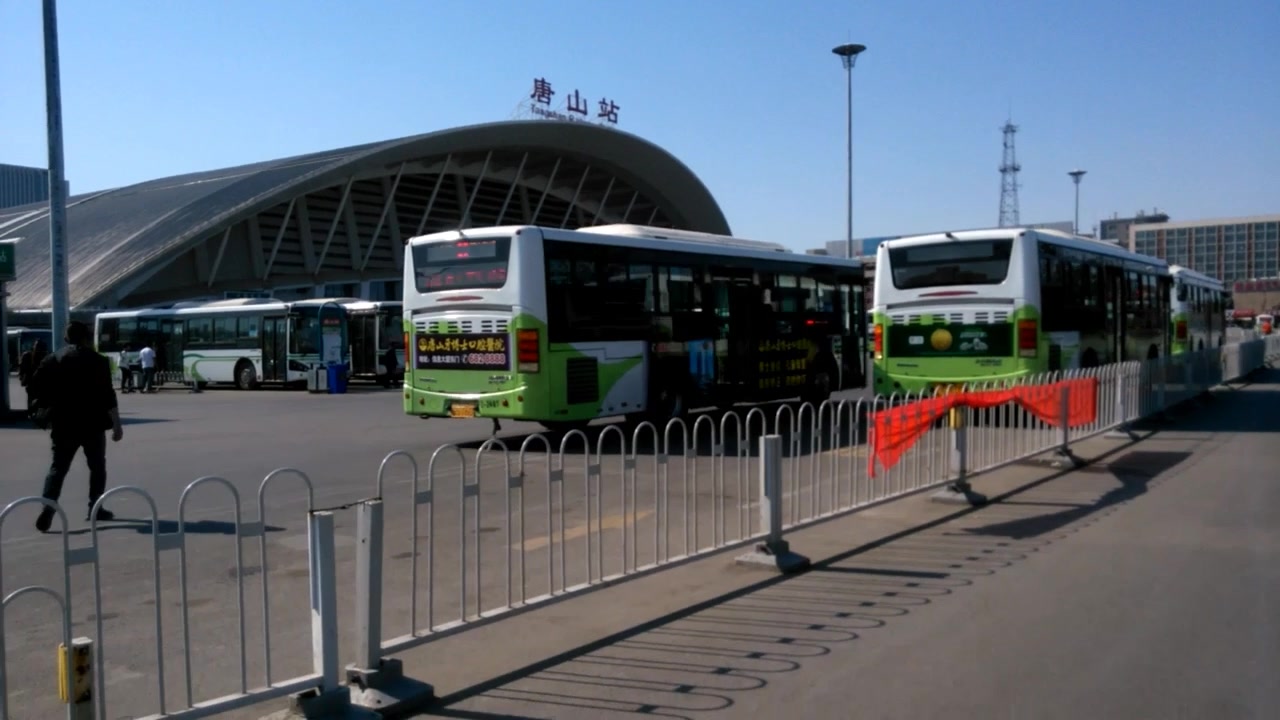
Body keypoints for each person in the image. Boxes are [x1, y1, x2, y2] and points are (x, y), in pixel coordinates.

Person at [29, 321, 124, 532]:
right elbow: (108, 394)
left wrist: (48, 405)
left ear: (66, 338)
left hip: (63, 423)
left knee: (58, 468)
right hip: (93, 423)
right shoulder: (98, 361)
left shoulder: (53, 359)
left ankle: (49, 507)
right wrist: (117, 424)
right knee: (97, 466)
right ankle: (95, 507)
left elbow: (36, 385)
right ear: (86, 338)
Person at [17, 339, 49, 414]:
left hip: (37, 383)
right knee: (34, 399)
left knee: (35, 399)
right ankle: (33, 412)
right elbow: (23, 369)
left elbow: (22, 369)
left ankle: (34, 413)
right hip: (33, 383)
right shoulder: (29, 356)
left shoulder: (28, 355)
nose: (39, 350)